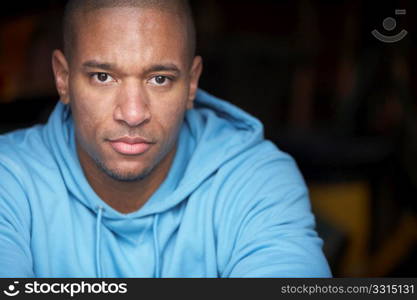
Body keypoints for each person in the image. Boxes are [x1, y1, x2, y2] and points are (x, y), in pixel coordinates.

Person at [0, 0, 331, 278]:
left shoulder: (257, 178)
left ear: (191, 83)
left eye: (159, 79)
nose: (132, 113)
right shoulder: (10, 177)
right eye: (103, 76)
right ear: (63, 78)